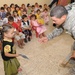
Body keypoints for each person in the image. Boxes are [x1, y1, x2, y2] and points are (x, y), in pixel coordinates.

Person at [39, 2, 75, 74]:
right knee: (73, 48)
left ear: (63, 17)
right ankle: (72, 59)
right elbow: (60, 27)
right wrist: (48, 37)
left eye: (55, 20)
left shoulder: (73, 25)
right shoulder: (65, 10)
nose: (53, 23)